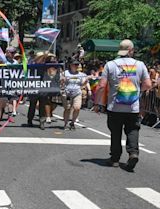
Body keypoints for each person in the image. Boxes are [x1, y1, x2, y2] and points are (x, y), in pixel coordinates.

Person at [94, 39, 151, 171]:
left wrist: (97, 103)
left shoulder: (110, 64)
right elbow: (148, 84)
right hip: (133, 106)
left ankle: (114, 159)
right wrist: (136, 91)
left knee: (115, 132)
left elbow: (101, 86)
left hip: (115, 106)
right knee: (132, 130)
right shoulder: (140, 64)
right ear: (131, 50)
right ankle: (133, 153)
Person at [61, 59, 91, 130]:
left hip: (77, 92)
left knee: (77, 108)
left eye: (77, 65)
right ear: (70, 65)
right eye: (75, 65)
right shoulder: (65, 73)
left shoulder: (82, 75)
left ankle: (72, 122)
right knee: (67, 108)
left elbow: (83, 84)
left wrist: (86, 80)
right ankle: (65, 123)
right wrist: (63, 80)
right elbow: (61, 82)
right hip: (67, 93)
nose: (76, 66)